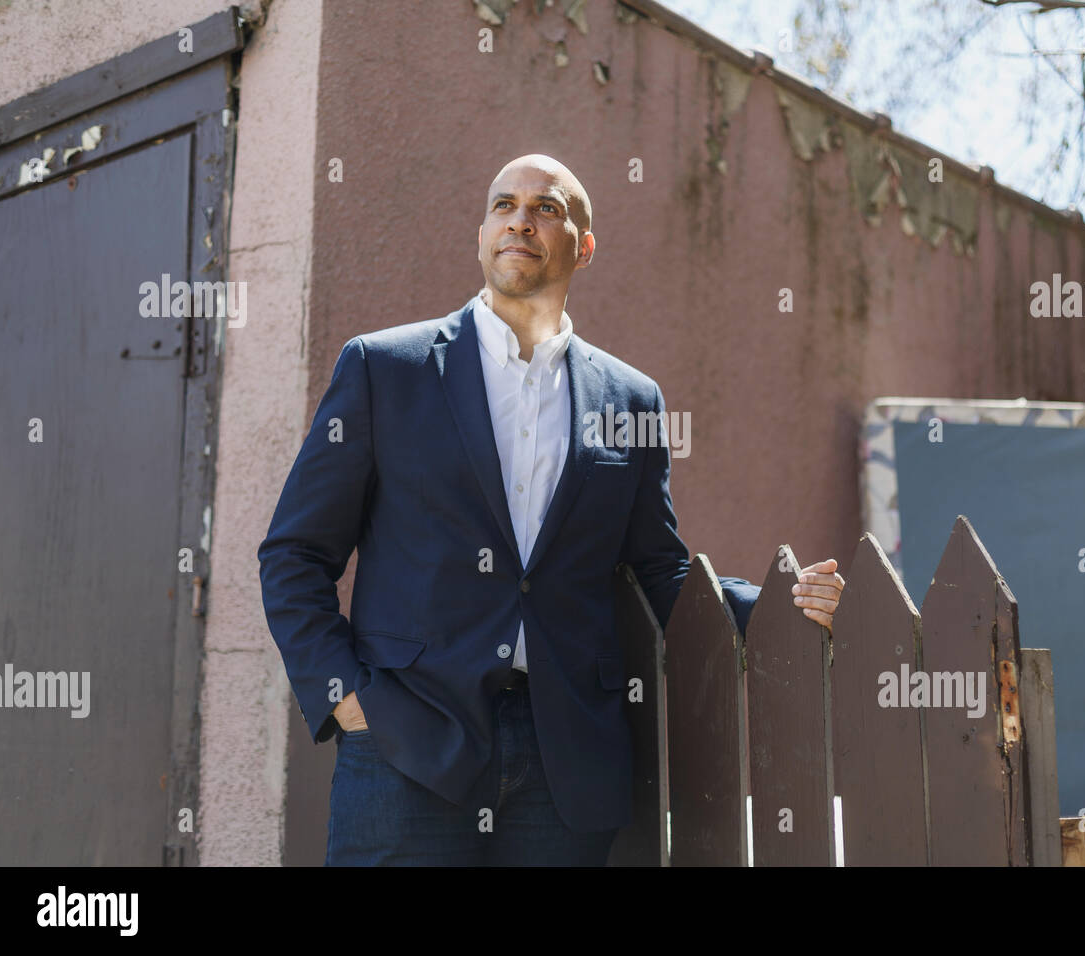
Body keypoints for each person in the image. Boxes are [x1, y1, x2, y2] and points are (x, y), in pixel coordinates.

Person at [257, 154, 846, 866]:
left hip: (563, 763)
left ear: (583, 246)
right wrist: (345, 698)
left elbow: (657, 571)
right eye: (503, 205)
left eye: (547, 207)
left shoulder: (633, 400)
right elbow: (295, 554)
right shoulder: (386, 370)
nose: (521, 220)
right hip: (407, 745)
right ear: (480, 236)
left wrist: (776, 605)